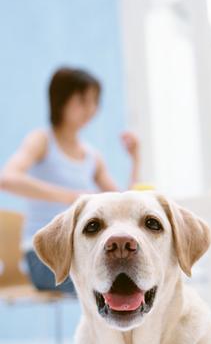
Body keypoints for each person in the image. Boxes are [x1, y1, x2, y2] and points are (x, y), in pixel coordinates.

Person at [0, 67, 140, 293]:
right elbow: (7, 179)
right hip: (44, 256)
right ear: (61, 100)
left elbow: (124, 203)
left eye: (95, 101)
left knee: (134, 279)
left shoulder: (92, 156)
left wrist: (135, 159)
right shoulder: (42, 140)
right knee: (111, 284)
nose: (91, 108)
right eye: (83, 100)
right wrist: (69, 197)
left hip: (80, 251)